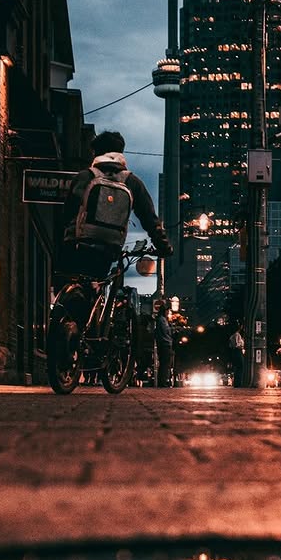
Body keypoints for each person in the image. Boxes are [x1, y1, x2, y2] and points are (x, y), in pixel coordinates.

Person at [53, 130, 172, 347]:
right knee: (94, 286)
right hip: (107, 249)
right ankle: (86, 336)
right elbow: (150, 219)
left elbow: (66, 213)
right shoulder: (132, 182)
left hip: (76, 245)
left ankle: (64, 323)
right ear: (121, 152)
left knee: (66, 284)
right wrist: (163, 246)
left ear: (95, 153)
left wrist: (65, 238)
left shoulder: (84, 176)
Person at [153, 299, 173, 387]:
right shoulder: (162, 320)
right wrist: (171, 330)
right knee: (165, 364)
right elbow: (166, 331)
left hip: (162, 343)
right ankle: (162, 382)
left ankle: (162, 381)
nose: (168, 312)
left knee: (163, 363)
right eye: (167, 311)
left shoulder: (160, 319)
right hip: (165, 343)